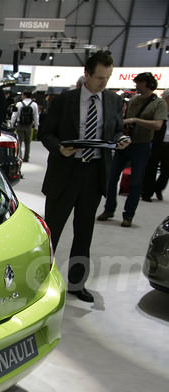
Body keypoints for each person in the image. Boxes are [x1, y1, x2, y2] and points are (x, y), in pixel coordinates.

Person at [39, 50, 130, 303]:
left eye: (108, 77)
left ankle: (77, 284)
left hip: (94, 174)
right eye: (100, 77)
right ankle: (40, 280)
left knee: (84, 232)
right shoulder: (64, 100)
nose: (104, 83)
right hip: (65, 172)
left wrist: (121, 138)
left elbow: (116, 130)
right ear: (86, 74)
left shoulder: (113, 101)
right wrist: (59, 148)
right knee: (52, 231)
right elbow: (46, 133)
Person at [97, 72, 167, 226]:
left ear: (146, 84)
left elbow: (158, 125)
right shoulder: (134, 100)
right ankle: (109, 208)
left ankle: (128, 215)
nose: (136, 86)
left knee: (135, 182)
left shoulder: (158, 103)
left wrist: (135, 120)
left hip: (142, 146)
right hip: (124, 143)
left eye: (138, 83)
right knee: (111, 178)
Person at [142, 90, 169, 201]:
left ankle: (158, 188)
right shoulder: (158, 109)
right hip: (156, 142)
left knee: (166, 171)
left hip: (168, 144)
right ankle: (147, 193)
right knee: (151, 168)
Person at [11, 91, 39, 162]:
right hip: (29, 125)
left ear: (24, 95)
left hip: (20, 124)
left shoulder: (19, 104)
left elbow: (14, 115)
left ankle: (20, 157)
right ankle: (26, 157)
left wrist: (12, 124)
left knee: (19, 141)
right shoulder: (34, 104)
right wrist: (36, 127)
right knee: (27, 142)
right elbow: (36, 116)